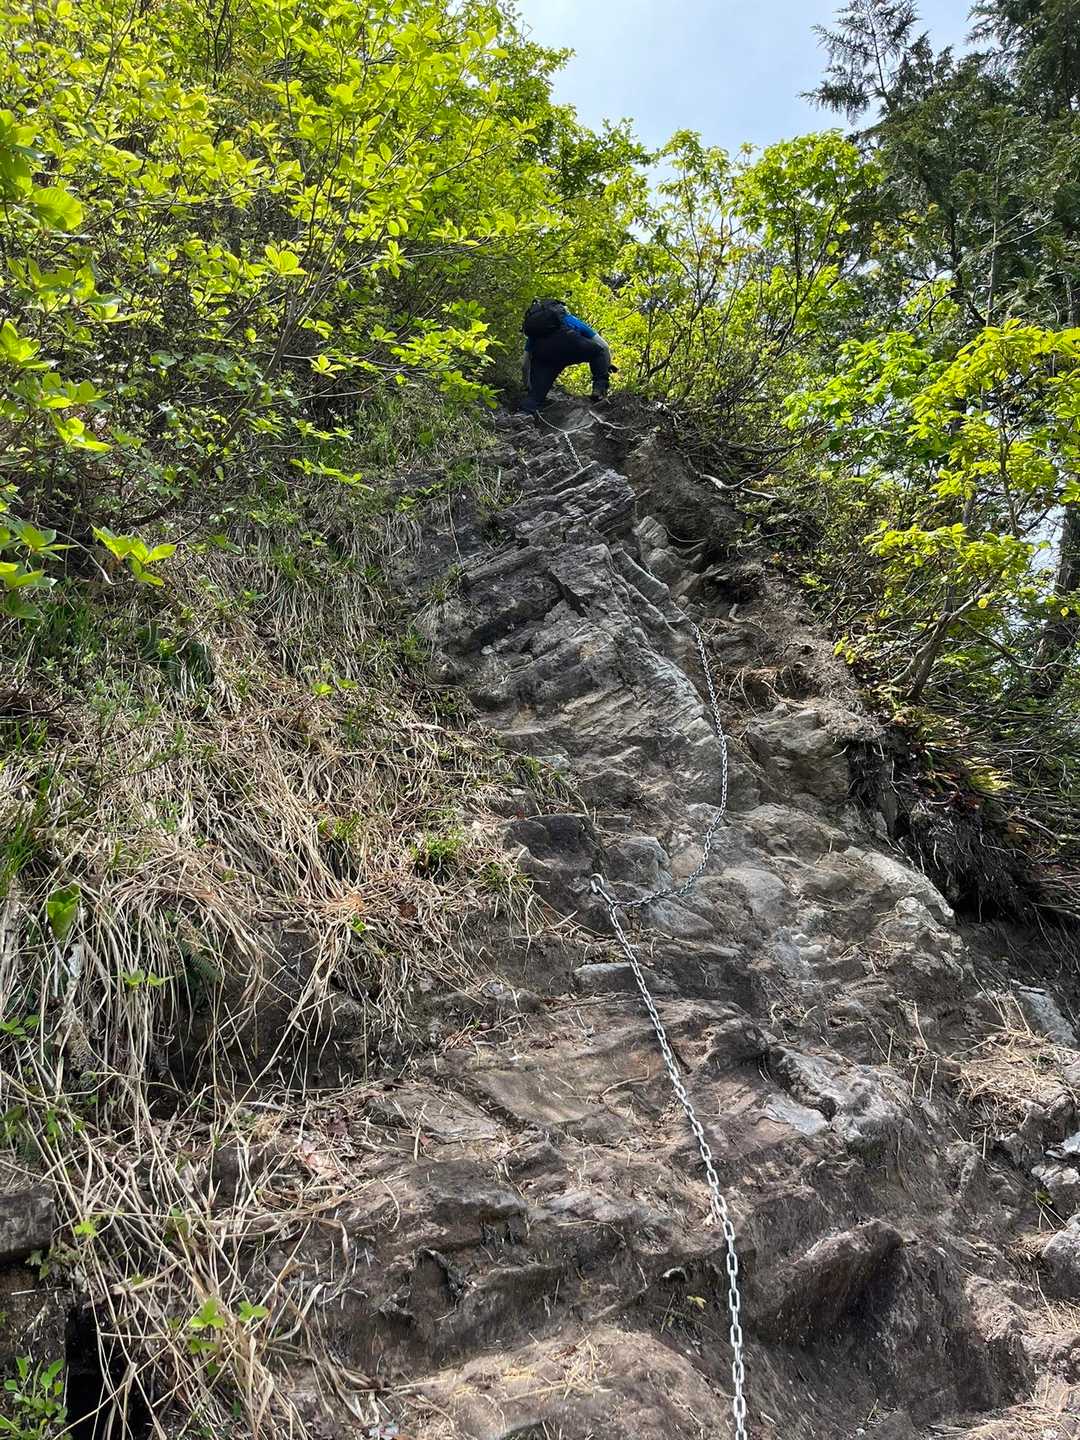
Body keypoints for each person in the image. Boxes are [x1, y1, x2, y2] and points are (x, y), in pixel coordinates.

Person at [519, 299, 611, 415]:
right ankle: (599, 389)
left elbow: (524, 364)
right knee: (598, 352)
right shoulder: (569, 319)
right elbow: (604, 346)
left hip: (545, 358)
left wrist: (527, 384)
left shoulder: (536, 332)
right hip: (571, 344)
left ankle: (524, 416)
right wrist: (605, 367)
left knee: (535, 398)